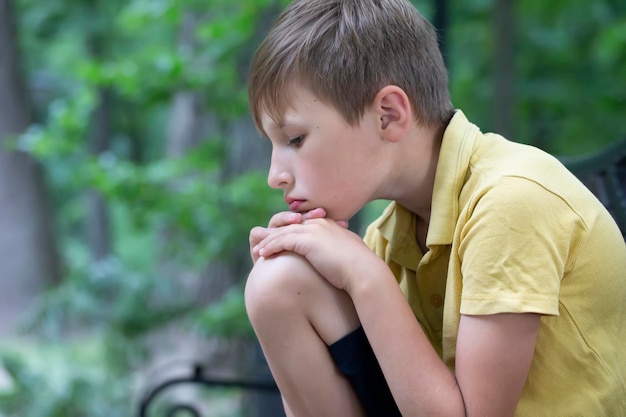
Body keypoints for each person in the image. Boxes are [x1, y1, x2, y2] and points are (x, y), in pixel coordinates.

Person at [243, 0, 626, 416]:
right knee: (280, 281)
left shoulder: (511, 202)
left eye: (295, 139)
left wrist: (365, 277)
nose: (275, 175)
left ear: (388, 115)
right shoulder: (389, 236)